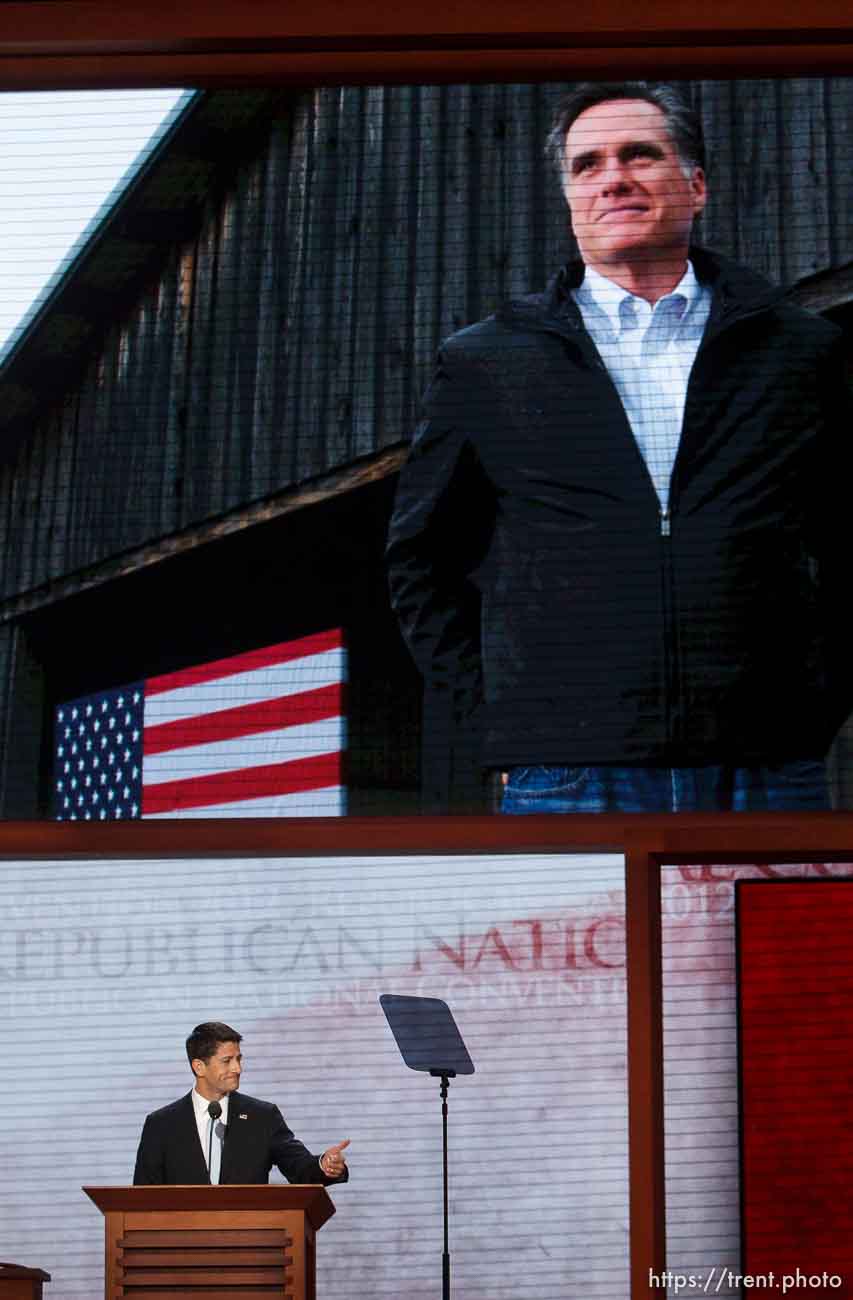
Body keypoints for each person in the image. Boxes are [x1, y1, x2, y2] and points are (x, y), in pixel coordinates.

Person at [386, 80, 852, 814]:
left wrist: (814, 707)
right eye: (587, 165)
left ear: (694, 185)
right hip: (567, 773)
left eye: (639, 154)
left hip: (764, 767)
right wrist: (505, 722)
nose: (613, 178)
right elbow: (422, 559)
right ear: (570, 198)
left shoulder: (801, 352)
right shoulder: (487, 361)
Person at [133, 1021, 350, 1186]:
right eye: (227, 1061)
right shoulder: (161, 1124)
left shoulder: (262, 1117)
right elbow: (142, 1197)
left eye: (239, 1059)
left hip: (249, 1241)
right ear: (199, 1067)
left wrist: (324, 1165)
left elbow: (299, 1168)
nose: (237, 1068)